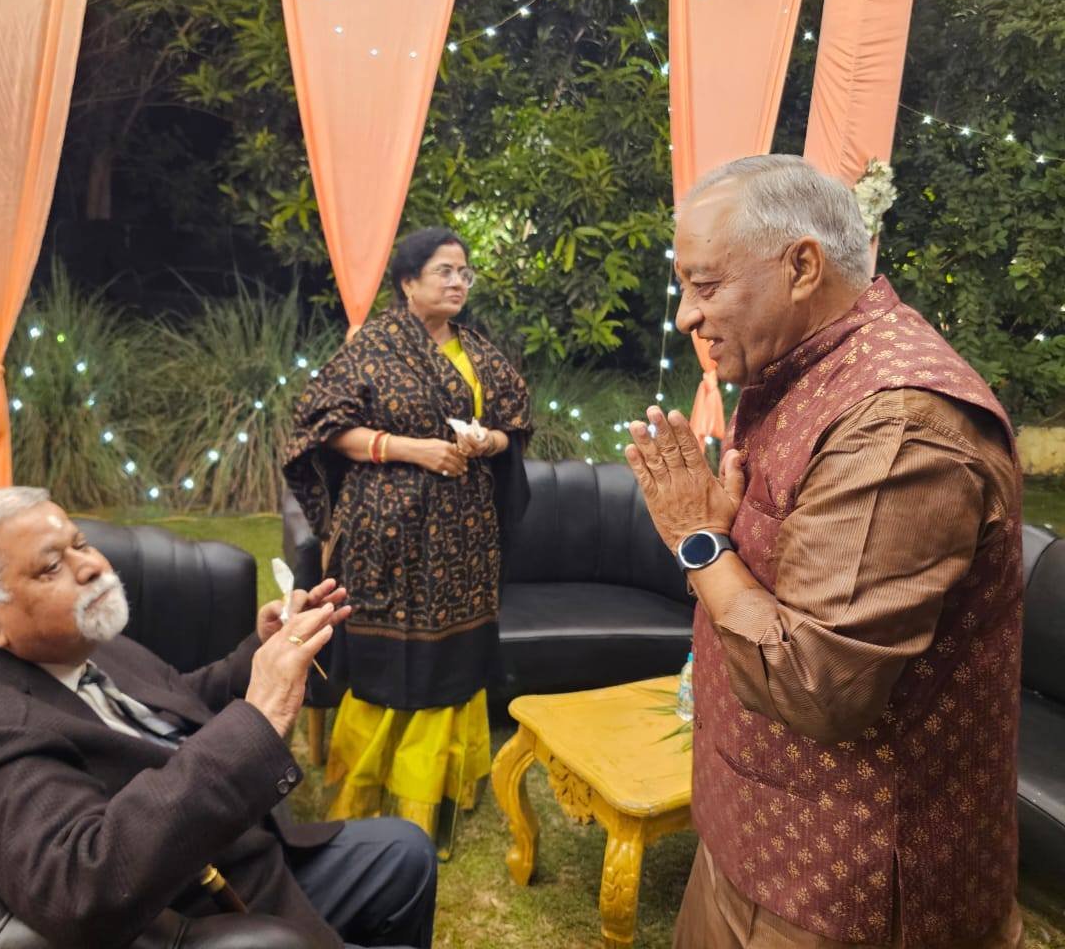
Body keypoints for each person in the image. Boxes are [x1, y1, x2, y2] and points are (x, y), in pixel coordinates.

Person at [622, 156, 1023, 948]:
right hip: (756, 834)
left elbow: (816, 684)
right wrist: (731, 537)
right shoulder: (804, 369)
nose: (687, 317)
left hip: (847, 888)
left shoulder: (899, 425)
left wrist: (699, 544)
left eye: (706, 285)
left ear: (802, 266)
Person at [0, 486, 438, 949]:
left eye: (80, 544)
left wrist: (262, 654)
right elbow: (84, 883)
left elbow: (176, 703)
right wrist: (259, 718)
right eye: (52, 566)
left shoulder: (72, 644)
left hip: (247, 854)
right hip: (211, 913)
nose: (92, 566)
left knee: (406, 852)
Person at [284, 227, 532, 856]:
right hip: (387, 536)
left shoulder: (477, 350)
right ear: (408, 282)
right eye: (444, 271)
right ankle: (370, 798)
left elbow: (513, 423)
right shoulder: (374, 347)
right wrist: (411, 450)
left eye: (464, 272)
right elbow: (319, 428)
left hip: (465, 540)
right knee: (387, 663)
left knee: (454, 661)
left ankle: (439, 795)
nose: (457, 282)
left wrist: (488, 441)